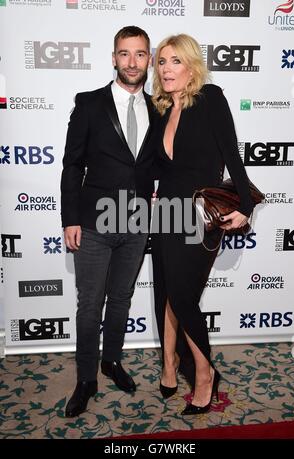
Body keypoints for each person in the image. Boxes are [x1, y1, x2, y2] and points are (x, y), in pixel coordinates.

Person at [151, 34, 254, 415]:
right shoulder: (162, 108)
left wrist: (246, 204)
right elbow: (158, 165)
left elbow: (232, 153)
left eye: (175, 61)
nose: (166, 69)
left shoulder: (210, 99)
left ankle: (206, 372)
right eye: (161, 62)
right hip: (165, 213)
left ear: (192, 66)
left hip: (197, 214)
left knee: (182, 295)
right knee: (165, 290)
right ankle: (169, 364)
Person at [60, 26, 156, 418]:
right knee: (90, 304)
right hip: (95, 223)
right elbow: (72, 165)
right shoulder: (88, 104)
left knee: (120, 299)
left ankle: (112, 361)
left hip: (136, 223)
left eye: (140, 54)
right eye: (125, 53)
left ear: (148, 59)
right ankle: (86, 377)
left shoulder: (160, 108)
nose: (132, 62)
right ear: (113, 58)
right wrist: (70, 219)